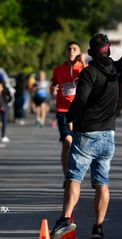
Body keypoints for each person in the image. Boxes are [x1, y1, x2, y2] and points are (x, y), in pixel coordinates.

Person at [50, 33, 122, 239]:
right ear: (108, 51)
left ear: (89, 53)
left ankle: (65, 219)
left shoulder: (89, 73)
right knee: (102, 181)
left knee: (74, 176)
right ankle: (98, 227)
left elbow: (80, 100)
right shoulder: (116, 70)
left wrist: (70, 117)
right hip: (108, 135)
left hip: (86, 134)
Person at [50, 41, 86, 176]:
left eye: (74, 49)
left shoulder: (83, 68)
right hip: (63, 109)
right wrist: (53, 88)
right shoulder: (58, 69)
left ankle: (77, 172)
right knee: (67, 141)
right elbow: (53, 83)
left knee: (79, 143)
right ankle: (67, 175)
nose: (71, 51)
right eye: (69, 49)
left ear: (79, 53)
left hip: (80, 110)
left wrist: (83, 62)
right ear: (65, 53)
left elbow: (91, 79)